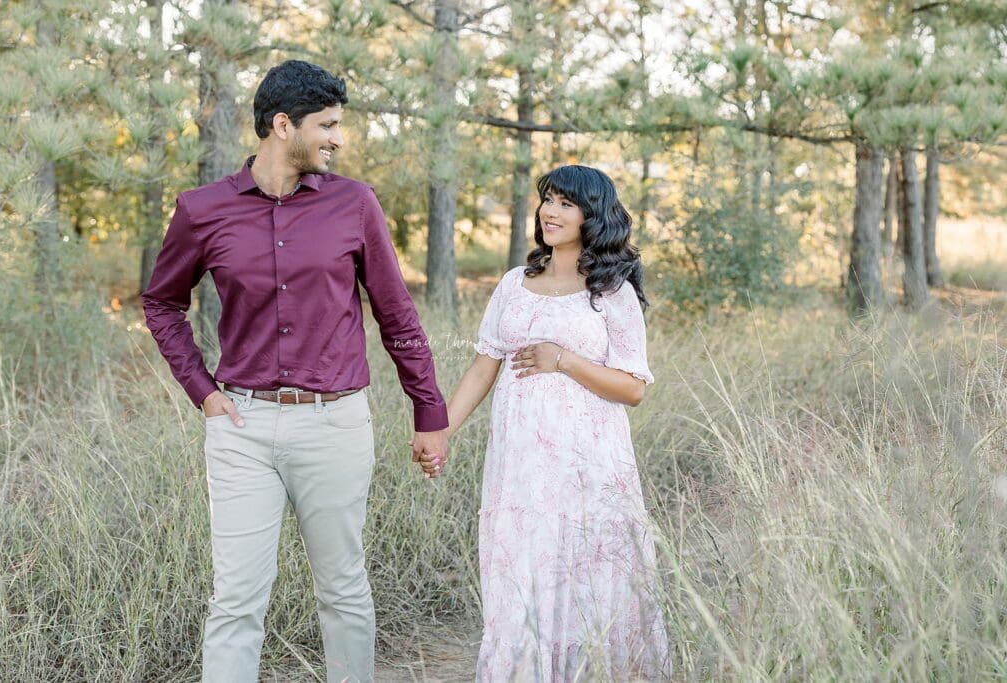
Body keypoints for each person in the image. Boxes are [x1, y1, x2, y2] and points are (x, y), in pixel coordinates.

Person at [141, 60, 447, 683]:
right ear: (283, 126)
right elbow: (161, 302)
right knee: (235, 600)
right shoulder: (203, 211)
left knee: (342, 587)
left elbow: (396, 313)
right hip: (241, 428)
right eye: (328, 125)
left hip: (334, 425)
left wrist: (429, 411)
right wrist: (201, 391)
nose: (338, 138)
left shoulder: (353, 204)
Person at [445, 165, 671, 681]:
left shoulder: (611, 290)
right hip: (521, 466)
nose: (550, 210)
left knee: (589, 573)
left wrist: (562, 358)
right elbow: (484, 364)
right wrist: (443, 430)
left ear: (593, 214)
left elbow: (634, 387)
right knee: (523, 571)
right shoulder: (513, 285)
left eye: (566, 202)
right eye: (547, 199)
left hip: (589, 464)